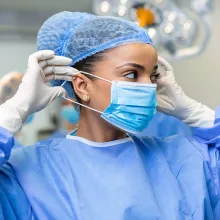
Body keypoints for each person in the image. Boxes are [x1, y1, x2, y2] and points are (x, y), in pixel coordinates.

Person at [0, 11, 219, 220]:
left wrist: (194, 112)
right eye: (132, 74)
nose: (148, 87)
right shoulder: (31, 173)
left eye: (152, 76)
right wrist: (14, 111)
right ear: (82, 86)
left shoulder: (182, 158)